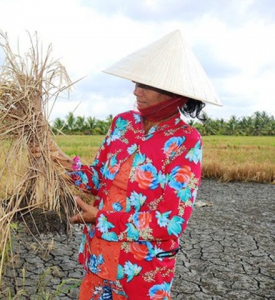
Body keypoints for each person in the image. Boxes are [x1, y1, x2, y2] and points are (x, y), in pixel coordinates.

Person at [48, 30, 222, 299]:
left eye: (145, 85)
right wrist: (60, 158)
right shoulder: (123, 123)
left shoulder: (185, 141)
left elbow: (172, 221)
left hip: (142, 272)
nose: (135, 90)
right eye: (136, 82)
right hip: (99, 258)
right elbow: (98, 180)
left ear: (175, 94)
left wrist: (102, 218)